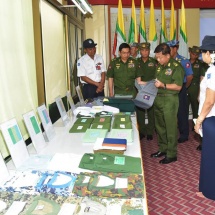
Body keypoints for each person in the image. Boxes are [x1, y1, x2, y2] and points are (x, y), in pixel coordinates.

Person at [151, 43, 184, 164]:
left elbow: (178, 86)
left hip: (170, 100)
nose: (158, 59)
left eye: (160, 57)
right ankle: (163, 149)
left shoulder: (176, 67)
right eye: (157, 57)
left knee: (170, 127)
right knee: (160, 127)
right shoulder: (159, 66)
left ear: (168, 55)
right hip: (158, 99)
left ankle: (171, 154)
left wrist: (163, 85)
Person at [194, 35, 215, 200]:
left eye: (203, 52)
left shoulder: (213, 71)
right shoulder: (211, 69)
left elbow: (209, 100)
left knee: (210, 156)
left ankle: (211, 192)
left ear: (210, 52)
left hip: (212, 119)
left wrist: (199, 120)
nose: (202, 55)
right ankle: (207, 189)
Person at [167, 40, 193, 143]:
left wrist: (184, 87)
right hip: (169, 88)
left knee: (182, 112)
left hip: (180, 88)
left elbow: (190, 76)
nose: (168, 52)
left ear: (175, 48)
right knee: (170, 111)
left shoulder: (183, 61)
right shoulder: (167, 61)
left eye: (169, 49)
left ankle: (184, 134)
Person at [136, 42, 157, 140]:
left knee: (150, 111)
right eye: (143, 50)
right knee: (140, 111)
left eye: (147, 50)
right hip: (139, 89)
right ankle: (142, 131)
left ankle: (149, 132)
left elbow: (157, 76)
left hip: (151, 89)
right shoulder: (136, 62)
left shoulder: (154, 61)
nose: (145, 52)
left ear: (149, 50)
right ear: (140, 51)